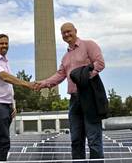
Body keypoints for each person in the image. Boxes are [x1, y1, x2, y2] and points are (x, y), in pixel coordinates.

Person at [34, 22, 106, 159]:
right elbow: (59, 75)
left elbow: (100, 63)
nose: (67, 34)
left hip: (89, 97)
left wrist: (84, 76)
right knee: (76, 140)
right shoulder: (65, 57)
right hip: (74, 99)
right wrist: (43, 83)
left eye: (69, 31)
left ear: (75, 31)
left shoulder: (88, 45)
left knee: (93, 140)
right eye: (63, 33)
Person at [0, 33, 35, 161]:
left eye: (6, 43)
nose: (4, 46)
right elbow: (5, 77)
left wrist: (13, 104)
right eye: (1, 43)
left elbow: (8, 86)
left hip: (7, 105)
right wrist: (27, 84)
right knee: (4, 140)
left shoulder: (7, 63)